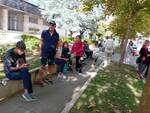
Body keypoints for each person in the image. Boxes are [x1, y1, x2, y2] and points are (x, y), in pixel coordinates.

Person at [39, 20, 59, 86]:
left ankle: (49, 78)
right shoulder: (44, 32)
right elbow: (41, 41)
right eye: (50, 24)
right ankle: (41, 80)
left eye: (53, 25)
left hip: (52, 53)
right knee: (42, 66)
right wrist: (40, 50)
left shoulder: (57, 34)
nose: (51, 26)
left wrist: (56, 52)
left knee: (50, 66)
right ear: (49, 25)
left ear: (55, 26)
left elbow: (57, 44)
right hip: (44, 52)